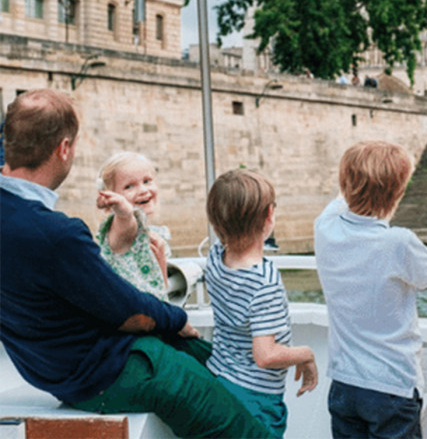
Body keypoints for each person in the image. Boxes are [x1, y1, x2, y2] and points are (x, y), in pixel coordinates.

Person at [0, 89, 269, 439]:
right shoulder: (57, 235)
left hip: (54, 369)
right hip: (104, 370)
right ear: (64, 149)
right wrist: (180, 319)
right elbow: (132, 314)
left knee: (217, 366)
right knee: (241, 427)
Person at [315, 140, 427, 439]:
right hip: (391, 388)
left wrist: (357, 171)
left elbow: (344, 195)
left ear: (344, 181)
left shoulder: (324, 227)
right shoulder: (399, 243)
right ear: (400, 192)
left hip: (344, 385)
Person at [205, 169, 318, 438]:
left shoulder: (215, 256)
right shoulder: (264, 283)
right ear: (269, 216)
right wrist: (306, 354)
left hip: (218, 380)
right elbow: (266, 356)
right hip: (255, 398)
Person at [96, 151, 170, 300]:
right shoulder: (119, 230)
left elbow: (161, 289)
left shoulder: (154, 234)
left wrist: (161, 262)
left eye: (147, 181)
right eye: (129, 186)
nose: (143, 190)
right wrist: (123, 210)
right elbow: (125, 220)